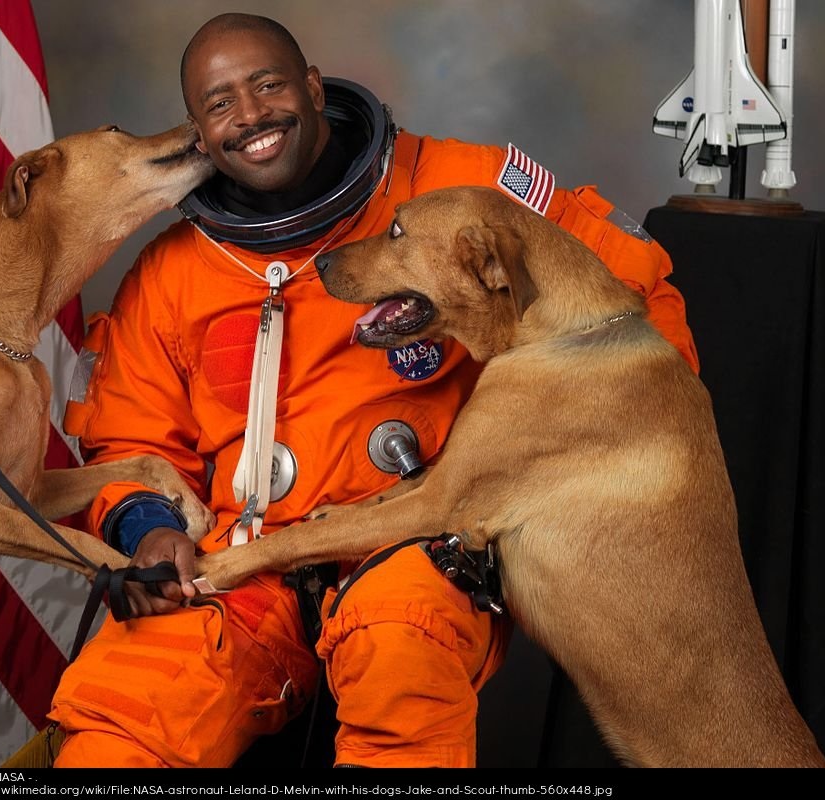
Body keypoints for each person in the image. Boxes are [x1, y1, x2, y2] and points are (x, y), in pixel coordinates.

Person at [48, 13, 699, 768]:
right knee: (117, 719)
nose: (252, 115)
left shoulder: (463, 190)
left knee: (400, 659)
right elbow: (129, 437)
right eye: (221, 103)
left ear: (314, 87)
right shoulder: (171, 275)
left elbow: (629, 292)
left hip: (419, 543)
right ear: (198, 130)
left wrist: (584, 481)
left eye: (268, 85)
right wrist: (149, 532)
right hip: (242, 560)